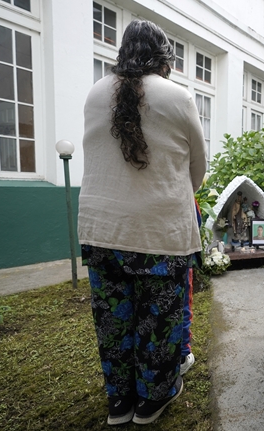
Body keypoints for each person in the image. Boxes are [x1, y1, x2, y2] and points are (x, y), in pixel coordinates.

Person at [78, 20, 207, 426]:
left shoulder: (95, 92)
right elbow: (197, 170)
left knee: (114, 319)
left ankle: (119, 402)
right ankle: (152, 401)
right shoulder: (178, 96)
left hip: (102, 229)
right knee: (158, 319)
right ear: (164, 57)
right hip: (159, 231)